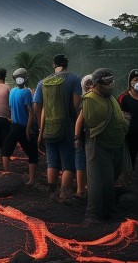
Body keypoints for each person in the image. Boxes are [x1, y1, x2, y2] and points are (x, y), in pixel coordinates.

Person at [76, 69, 130, 223]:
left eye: (111, 81)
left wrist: (123, 122)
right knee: (98, 180)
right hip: (98, 145)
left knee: (110, 179)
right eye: (107, 82)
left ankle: (108, 209)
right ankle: (93, 214)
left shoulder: (109, 97)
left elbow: (116, 116)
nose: (110, 84)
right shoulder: (90, 99)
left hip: (115, 145)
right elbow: (94, 122)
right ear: (97, 84)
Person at [34, 54, 81, 201]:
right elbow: (75, 104)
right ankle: (63, 193)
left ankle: (51, 192)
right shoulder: (74, 78)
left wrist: (40, 128)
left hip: (48, 126)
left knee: (52, 161)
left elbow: (37, 106)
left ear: (53, 64)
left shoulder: (43, 82)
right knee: (68, 164)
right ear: (66, 64)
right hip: (67, 126)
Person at [2, 68, 38, 186]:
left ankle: (6, 173)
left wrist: (13, 119)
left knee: (6, 149)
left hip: (15, 126)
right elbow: (31, 113)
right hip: (23, 127)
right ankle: (32, 180)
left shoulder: (12, 91)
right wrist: (28, 130)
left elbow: (13, 109)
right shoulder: (27, 92)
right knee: (32, 154)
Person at [118, 69, 138, 170]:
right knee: (130, 165)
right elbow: (120, 118)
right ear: (130, 82)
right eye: (135, 80)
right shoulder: (124, 98)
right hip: (129, 139)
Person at [75, 74, 93, 198]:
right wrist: (76, 137)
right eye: (87, 84)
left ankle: (86, 187)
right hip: (83, 135)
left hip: (91, 135)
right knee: (82, 161)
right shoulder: (84, 100)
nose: (90, 86)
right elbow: (79, 121)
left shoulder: (85, 99)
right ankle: (81, 190)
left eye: (92, 83)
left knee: (88, 162)